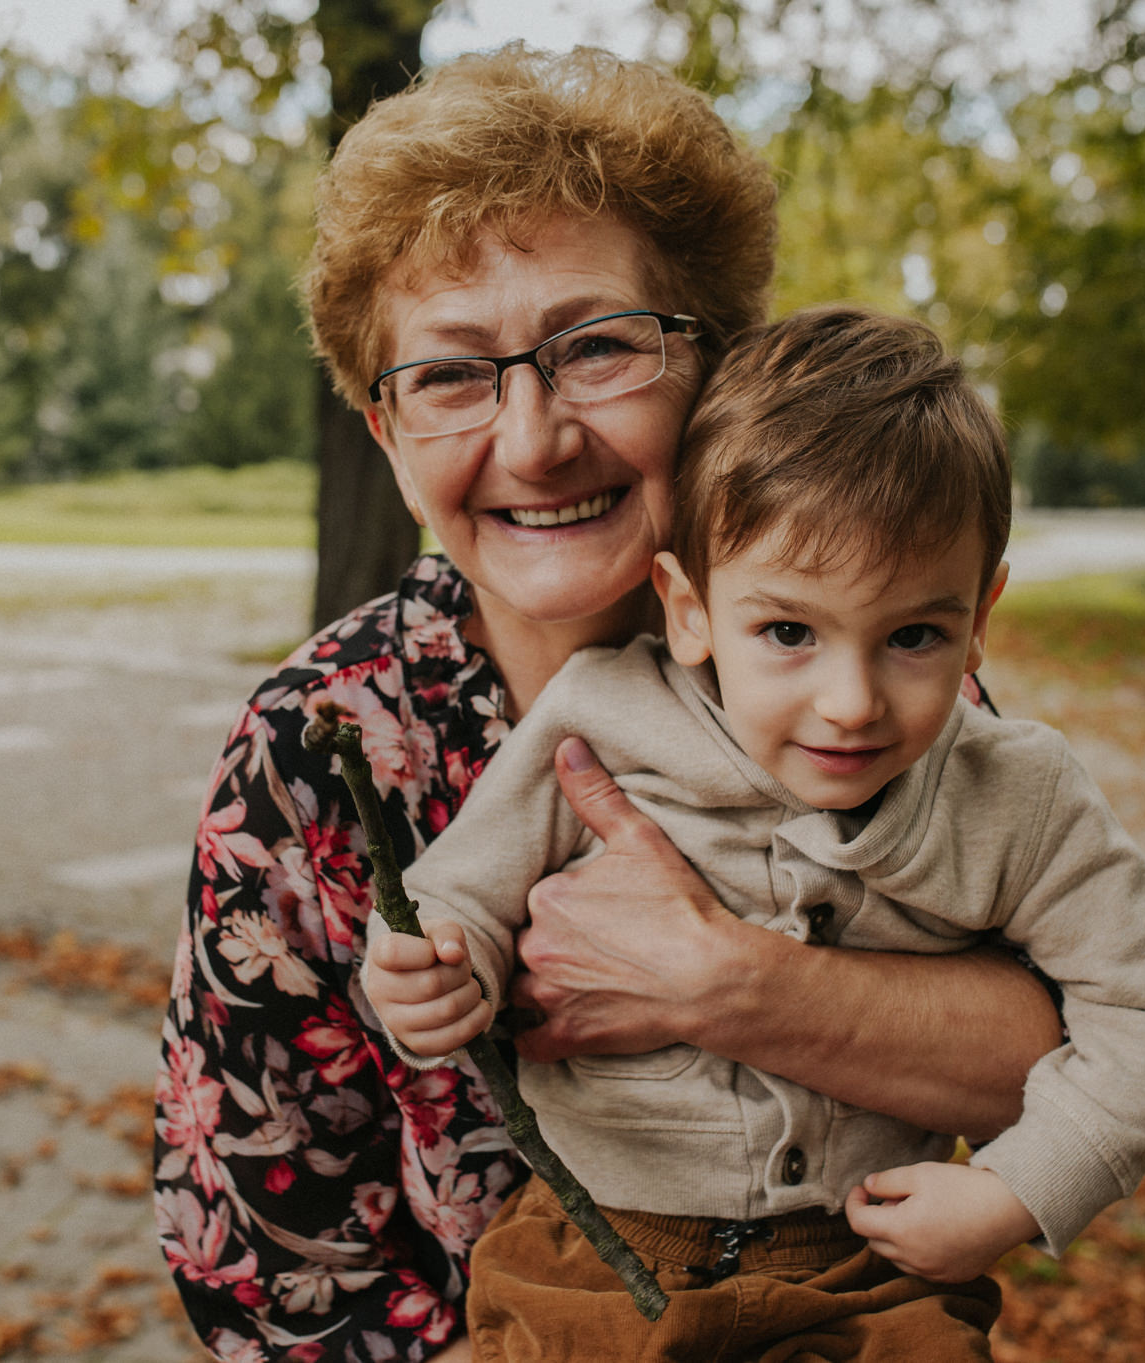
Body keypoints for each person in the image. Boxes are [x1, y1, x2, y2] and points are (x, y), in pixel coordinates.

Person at [152, 46, 1067, 1363]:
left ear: (716, 371)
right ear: (389, 441)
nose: (533, 439)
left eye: (596, 347)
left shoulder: (850, 669)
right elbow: (259, 1259)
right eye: (453, 375)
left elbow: (1069, 1053)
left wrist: (730, 983)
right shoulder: (320, 748)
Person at [362, 306, 1145, 1362]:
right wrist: (435, 969)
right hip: (591, 1255)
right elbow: (460, 896)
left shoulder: (1014, 793)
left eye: (913, 635)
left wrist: (1017, 1185)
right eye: (786, 633)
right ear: (687, 609)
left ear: (981, 613)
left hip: (867, 1278)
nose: (850, 702)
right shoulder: (599, 717)